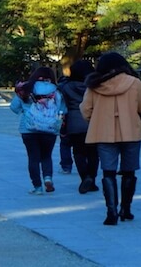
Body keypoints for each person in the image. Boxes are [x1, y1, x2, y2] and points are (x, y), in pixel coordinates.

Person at [81, 52, 141, 225]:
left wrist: (97, 120)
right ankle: (126, 209)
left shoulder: (95, 85)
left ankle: (111, 212)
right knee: (129, 170)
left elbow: (86, 109)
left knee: (108, 171)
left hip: (104, 132)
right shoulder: (134, 82)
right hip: (131, 131)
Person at [10, 67, 67, 194]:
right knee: (46, 156)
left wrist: (24, 110)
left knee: (33, 158)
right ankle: (48, 178)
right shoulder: (56, 90)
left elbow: (14, 107)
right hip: (50, 129)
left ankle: (37, 187)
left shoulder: (26, 89)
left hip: (28, 129)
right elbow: (63, 110)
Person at [58, 60, 99, 194]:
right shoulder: (94, 86)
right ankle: (92, 179)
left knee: (78, 151)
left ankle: (84, 177)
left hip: (74, 121)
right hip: (93, 120)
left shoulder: (66, 87)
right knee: (93, 153)